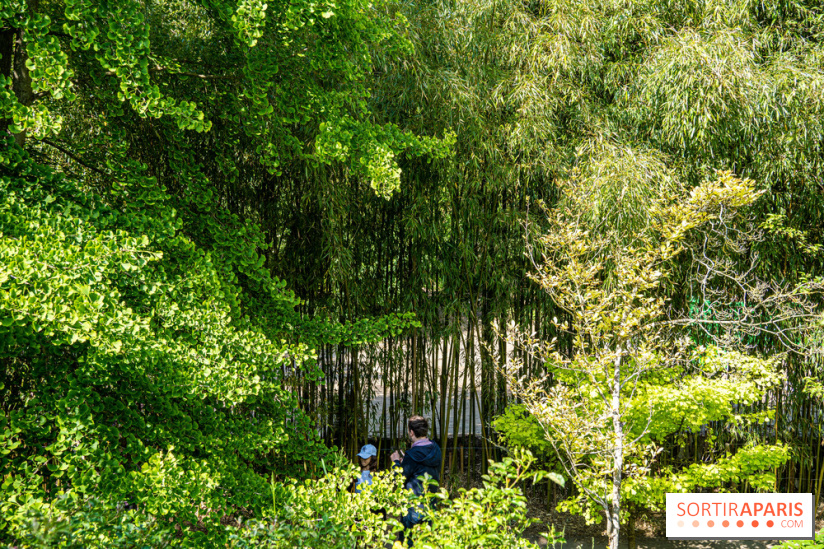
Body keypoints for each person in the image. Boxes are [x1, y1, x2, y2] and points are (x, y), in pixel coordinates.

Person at [390, 416, 441, 541]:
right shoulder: (436, 449)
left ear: (411, 432)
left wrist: (396, 462)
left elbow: (399, 479)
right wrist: (406, 464)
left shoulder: (412, 455)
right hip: (430, 505)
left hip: (413, 507)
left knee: (409, 542)